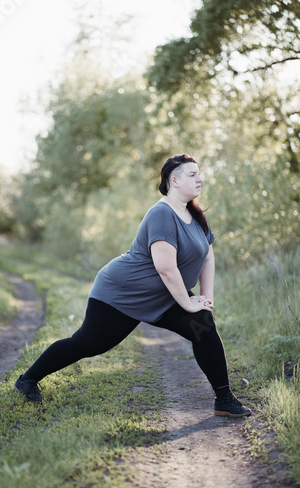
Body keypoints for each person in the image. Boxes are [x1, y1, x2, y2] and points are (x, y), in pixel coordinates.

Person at [14, 154, 251, 418]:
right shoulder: (162, 214)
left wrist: (205, 298)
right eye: (193, 174)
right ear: (174, 180)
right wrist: (187, 302)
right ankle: (27, 379)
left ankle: (224, 399)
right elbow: (165, 267)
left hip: (163, 293)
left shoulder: (194, 213)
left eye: (200, 173)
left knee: (203, 325)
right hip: (122, 292)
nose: (201, 178)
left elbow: (207, 255)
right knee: (88, 344)